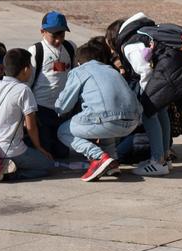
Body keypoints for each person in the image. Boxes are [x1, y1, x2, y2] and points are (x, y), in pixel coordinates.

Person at [58, 39, 141, 182]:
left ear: (79, 62)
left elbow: (63, 106)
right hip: (133, 122)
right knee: (104, 122)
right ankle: (112, 163)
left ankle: (99, 157)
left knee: (63, 131)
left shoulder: (79, 71)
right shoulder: (112, 70)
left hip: (107, 120)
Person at [106, 14, 176, 176]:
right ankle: (165, 157)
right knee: (162, 114)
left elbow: (144, 70)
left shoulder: (129, 45)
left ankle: (157, 160)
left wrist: (147, 96)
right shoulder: (141, 36)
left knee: (150, 116)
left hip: (153, 85)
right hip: (164, 79)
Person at [0, 47, 57, 180]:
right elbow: (31, 126)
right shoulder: (23, 90)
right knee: (48, 165)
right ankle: (11, 175)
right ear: (25, 69)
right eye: (31, 66)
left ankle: (5, 165)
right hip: (11, 150)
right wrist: (39, 147)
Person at [29, 11, 76, 158]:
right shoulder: (36, 51)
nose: (58, 40)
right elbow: (28, 82)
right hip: (42, 108)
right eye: (54, 36)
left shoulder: (70, 48)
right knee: (45, 151)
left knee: (62, 153)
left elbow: (75, 74)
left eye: (61, 35)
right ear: (43, 32)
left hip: (63, 109)